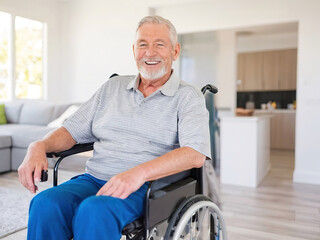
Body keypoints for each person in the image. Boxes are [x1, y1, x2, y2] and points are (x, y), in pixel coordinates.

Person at [18, 15, 211, 240]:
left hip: (147, 188)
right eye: (143, 44)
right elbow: (71, 131)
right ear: (134, 50)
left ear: (175, 51)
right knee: (45, 203)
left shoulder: (187, 96)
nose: (150, 52)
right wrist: (38, 146)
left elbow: (195, 154)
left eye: (159, 44)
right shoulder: (112, 88)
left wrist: (137, 174)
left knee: (94, 211)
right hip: (95, 179)